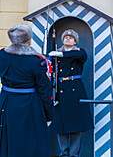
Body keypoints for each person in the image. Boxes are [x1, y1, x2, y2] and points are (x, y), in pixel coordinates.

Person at [0, 24, 54, 157]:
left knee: (8, 139)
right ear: (28, 40)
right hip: (31, 106)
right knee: (31, 143)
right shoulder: (36, 61)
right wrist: (49, 114)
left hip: (7, 103)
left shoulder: (1, 55)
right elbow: (45, 90)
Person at [49, 29, 94, 157]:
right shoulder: (56, 54)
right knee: (60, 126)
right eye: (65, 38)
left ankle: (74, 154)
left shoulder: (80, 52)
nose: (67, 39)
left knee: (76, 125)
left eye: (71, 38)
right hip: (60, 91)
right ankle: (64, 153)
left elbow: (80, 56)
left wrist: (61, 55)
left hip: (75, 91)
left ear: (75, 42)